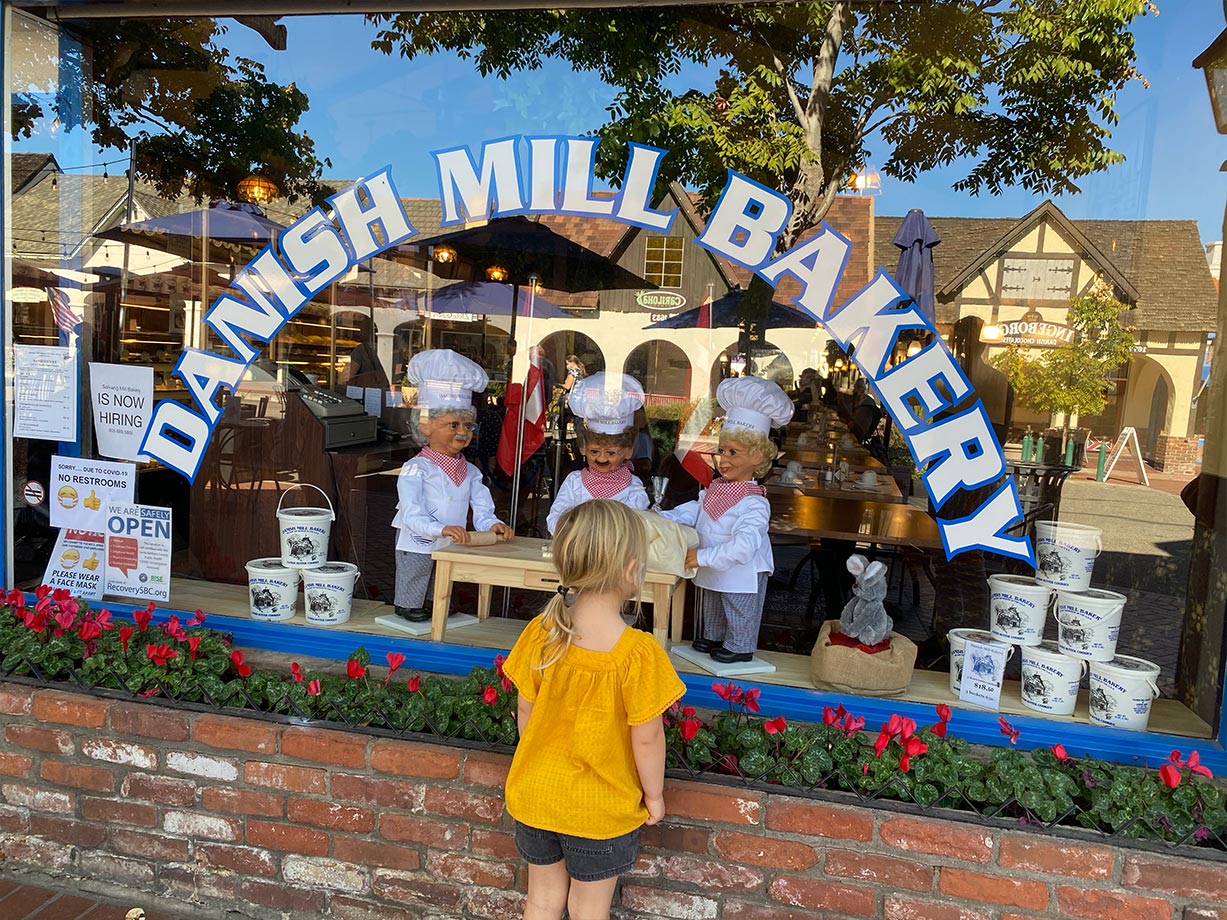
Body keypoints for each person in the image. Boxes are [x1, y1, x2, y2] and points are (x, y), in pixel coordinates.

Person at [501, 500, 685, 920]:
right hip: (599, 808)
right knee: (589, 911)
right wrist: (654, 796)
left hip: (536, 796)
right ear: (629, 570)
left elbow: (525, 713)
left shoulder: (542, 632)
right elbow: (648, 735)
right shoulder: (638, 653)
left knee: (542, 902)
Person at [661, 376, 794, 663]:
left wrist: (703, 556)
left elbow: (744, 547)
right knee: (712, 598)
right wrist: (662, 516)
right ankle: (713, 635)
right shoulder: (714, 489)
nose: (724, 459)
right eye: (722, 450)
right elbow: (694, 511)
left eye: (734, 452)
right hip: (708, 562)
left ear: (757, 456)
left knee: (739, 604)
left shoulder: (754, 503)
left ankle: (740, 644)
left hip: (739, 570)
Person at [392, 349, 513, 622]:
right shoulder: (416, 468)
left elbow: (481, 507)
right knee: (417, 569)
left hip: (451, 540)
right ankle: (408, 604)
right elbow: (412, 512)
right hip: (419, 538)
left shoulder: (470, 471)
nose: (462, 432)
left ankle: (438, 602)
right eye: (453, 424)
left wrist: (490, 525)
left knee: (444, 572)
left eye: (468, 426)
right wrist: (438, 528)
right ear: (425, 426)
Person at [547, 373, 650, 535]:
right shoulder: (575, 482)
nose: (601, 458)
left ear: (628, 451)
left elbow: (634, 524)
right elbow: (555, 519)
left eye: (610, 453)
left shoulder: (632, 487)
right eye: (594, 451)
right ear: (583, 448)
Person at [848, 377, 883, 443]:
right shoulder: (858, 399)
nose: (854, 390)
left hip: (861, 430)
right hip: (858, 429)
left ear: (861, 389)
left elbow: (862, 420)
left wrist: (854, 424)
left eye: (856, 388)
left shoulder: (868, 402)